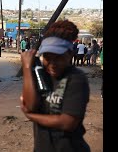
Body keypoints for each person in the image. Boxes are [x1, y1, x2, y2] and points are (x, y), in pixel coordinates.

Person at [20, 20, 91, 152]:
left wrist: (32, 117)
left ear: (70, 54)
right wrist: (27, 68)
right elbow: (30, 106)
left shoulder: (76, 79)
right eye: (47, 57)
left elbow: (68, 122)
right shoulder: (40, 74)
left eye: (58, 57)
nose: (52, 63)